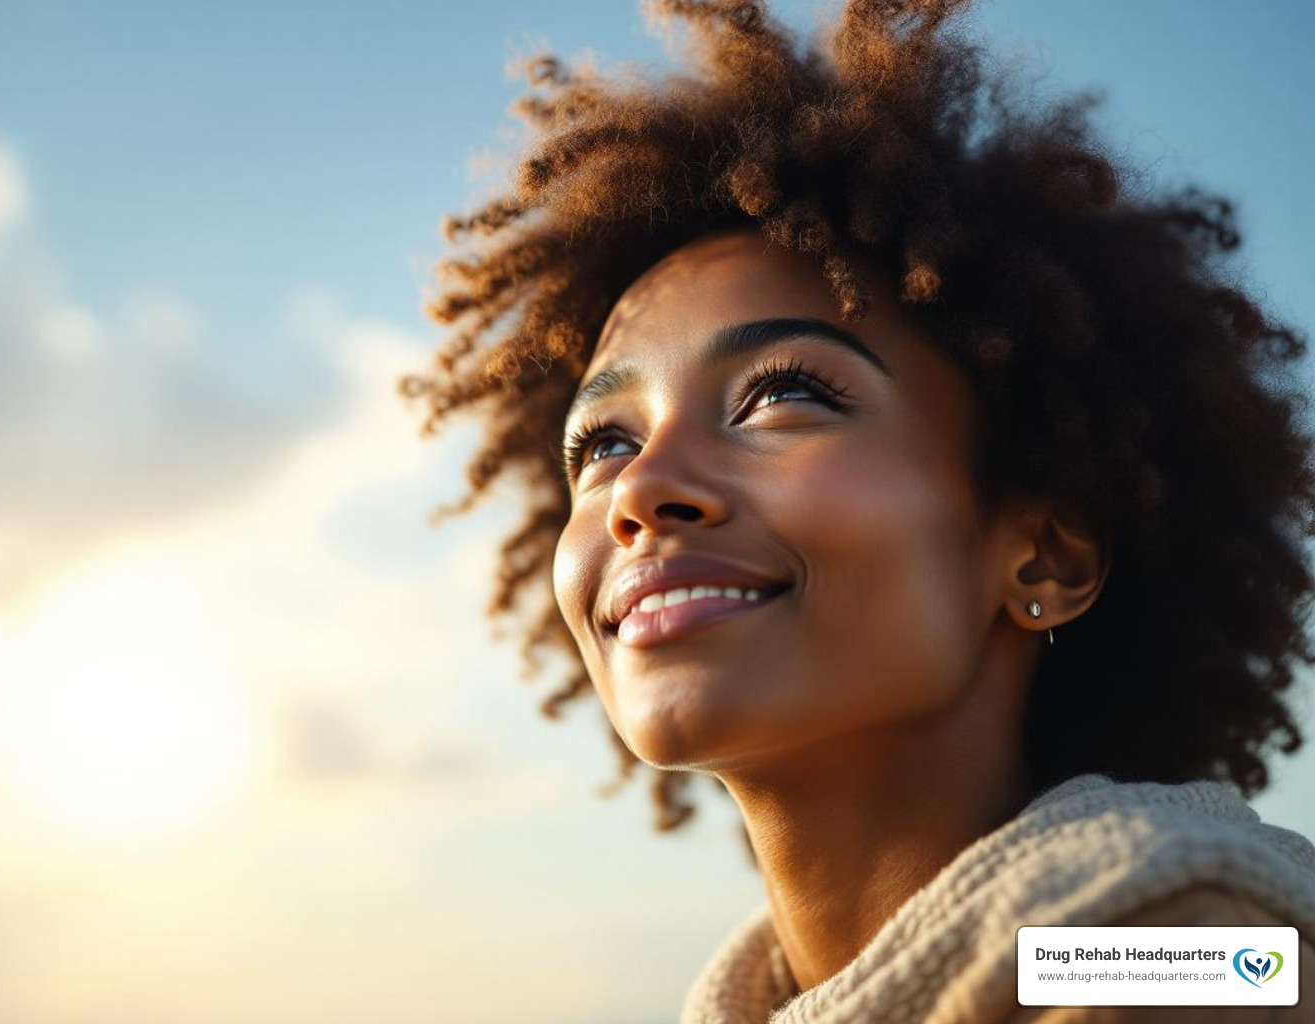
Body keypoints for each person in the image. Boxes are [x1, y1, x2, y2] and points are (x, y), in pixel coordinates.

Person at [399, 0, 1315, 1020]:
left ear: (1044, 558)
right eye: (603, 443)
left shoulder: (1161, 947)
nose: (643, 487)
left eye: (783, 395)